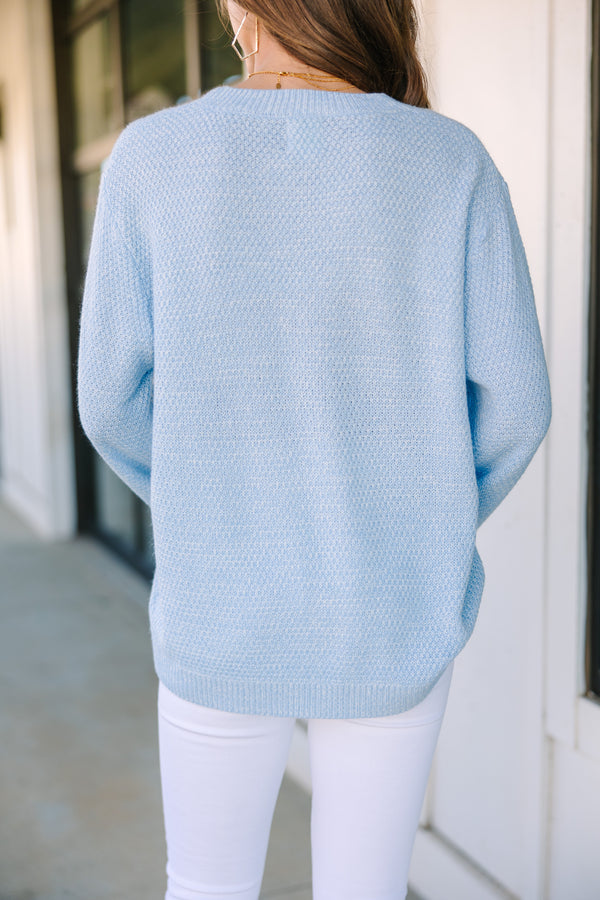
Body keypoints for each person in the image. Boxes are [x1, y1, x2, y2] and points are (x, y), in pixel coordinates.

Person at [76, 1, 552, 898]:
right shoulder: (452, 163)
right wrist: (424, 518)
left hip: (219, 604)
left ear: (240, 9)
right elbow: (518, 405)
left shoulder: (152, 159)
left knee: (206, 887)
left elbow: (109, 401)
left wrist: (206, 499)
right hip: (391, 609)